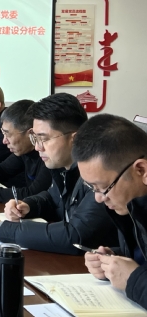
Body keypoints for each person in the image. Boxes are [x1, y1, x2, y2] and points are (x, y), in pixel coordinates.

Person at [0, 93, 118, 255]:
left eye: (44, 139)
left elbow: (76, 236)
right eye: (35, 138)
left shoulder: (99, 173)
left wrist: (0, 229)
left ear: (74, 139)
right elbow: (51, 198)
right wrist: (28, 205)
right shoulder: (62, 165)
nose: (37, 147)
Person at [73, 114, 147, 309]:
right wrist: (114, 260)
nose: (99, 198)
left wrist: (133, 279)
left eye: (103, 187)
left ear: (141, 170)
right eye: (92, 188)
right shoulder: (132, 205)